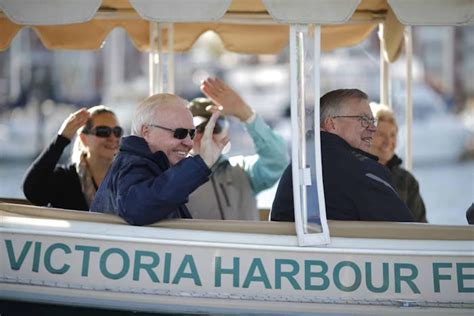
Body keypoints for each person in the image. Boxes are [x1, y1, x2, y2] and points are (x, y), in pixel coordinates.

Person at [271, 89, 414, 222]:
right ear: (331, 124)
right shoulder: (364, 172)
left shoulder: (297, 167)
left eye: (372, 121)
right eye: (363, 119)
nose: (372, 128)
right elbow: (406, 229)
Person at [90, 93, 228, 226]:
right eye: (179, 133)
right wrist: (201, 163)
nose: (189, 143)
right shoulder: (132, 164)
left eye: (191, 133)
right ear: (146, 132)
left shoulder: (149, 166)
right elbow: (138, 209)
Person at [186, 78, 289, 220]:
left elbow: (278, 160)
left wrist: (246, 114)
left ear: (226, 132)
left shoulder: (244, 172)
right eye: (200, 128)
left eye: (216, 127)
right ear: (188, 134)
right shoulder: (176, 178)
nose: (207, 135)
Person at [23, 105, 122, 211]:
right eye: (103, 131)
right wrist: (62, 139)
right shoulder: (64, 180)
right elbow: (32, 191)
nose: (113, 138)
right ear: (84, 139)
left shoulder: (126, 178)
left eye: (117, 131)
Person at [369, 103, 427, 222]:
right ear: (366, 137)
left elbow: (421, 225)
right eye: (380, 134)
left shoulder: (407, 180)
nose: (388, 141)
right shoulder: (356, 175)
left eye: (392, 135)